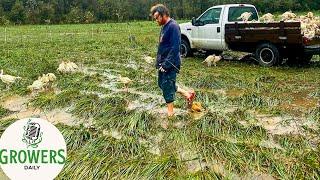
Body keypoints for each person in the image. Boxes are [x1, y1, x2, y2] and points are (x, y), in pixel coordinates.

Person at [150, 4, 195, 117]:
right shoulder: (164, 26)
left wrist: (166, 65)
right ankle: (187, 94)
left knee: (167, 86)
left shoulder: (173, 26)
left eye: (157, 17)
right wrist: (159, 62)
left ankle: (170, 114)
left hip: (170, 64)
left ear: (163, 14)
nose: (156, 20)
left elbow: (175, 48)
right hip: (162, 63)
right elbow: (163, 46)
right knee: (162, 84)